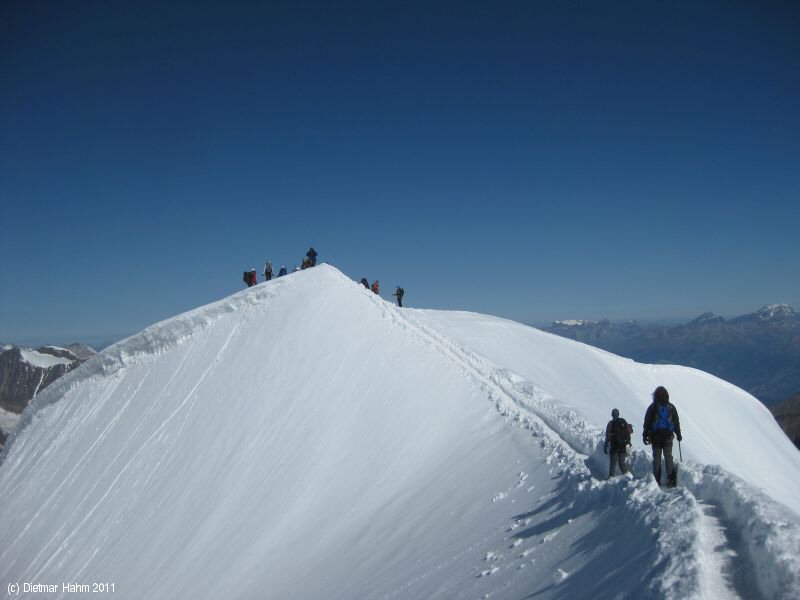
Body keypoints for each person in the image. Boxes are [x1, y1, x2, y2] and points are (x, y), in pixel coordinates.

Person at [643, 386, 682, 487]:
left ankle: (656, 480)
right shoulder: (671, 407)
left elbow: (647, 422)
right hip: (668, 436)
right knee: (668, 457)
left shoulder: (653, 407)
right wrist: (678, 434)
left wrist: (645, 435)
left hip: (656, 437)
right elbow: (676, 422)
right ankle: (671, 479)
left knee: (657, 458)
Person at [604, 408, 631, 478]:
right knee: (621, 463)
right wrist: (628, 445)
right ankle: (629, 477)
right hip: (623, 446)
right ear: (618, 414)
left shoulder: (610, 423)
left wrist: (605, 446)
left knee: (613, 464)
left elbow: (607, 436)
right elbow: (628, 433)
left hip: (614, 447)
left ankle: (611, 478)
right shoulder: (623, 422)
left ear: (612, 415)